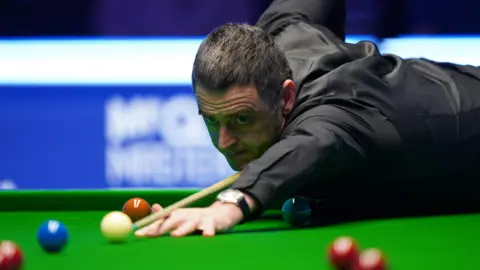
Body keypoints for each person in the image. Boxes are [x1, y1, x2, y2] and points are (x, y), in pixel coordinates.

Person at [135, 0, 480, 238]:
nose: (224, 141)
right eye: (211, 120)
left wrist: (230, 206)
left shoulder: (335, 114)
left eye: (241, 120)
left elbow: (314, 144)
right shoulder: (278, 32)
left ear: (286, 98)